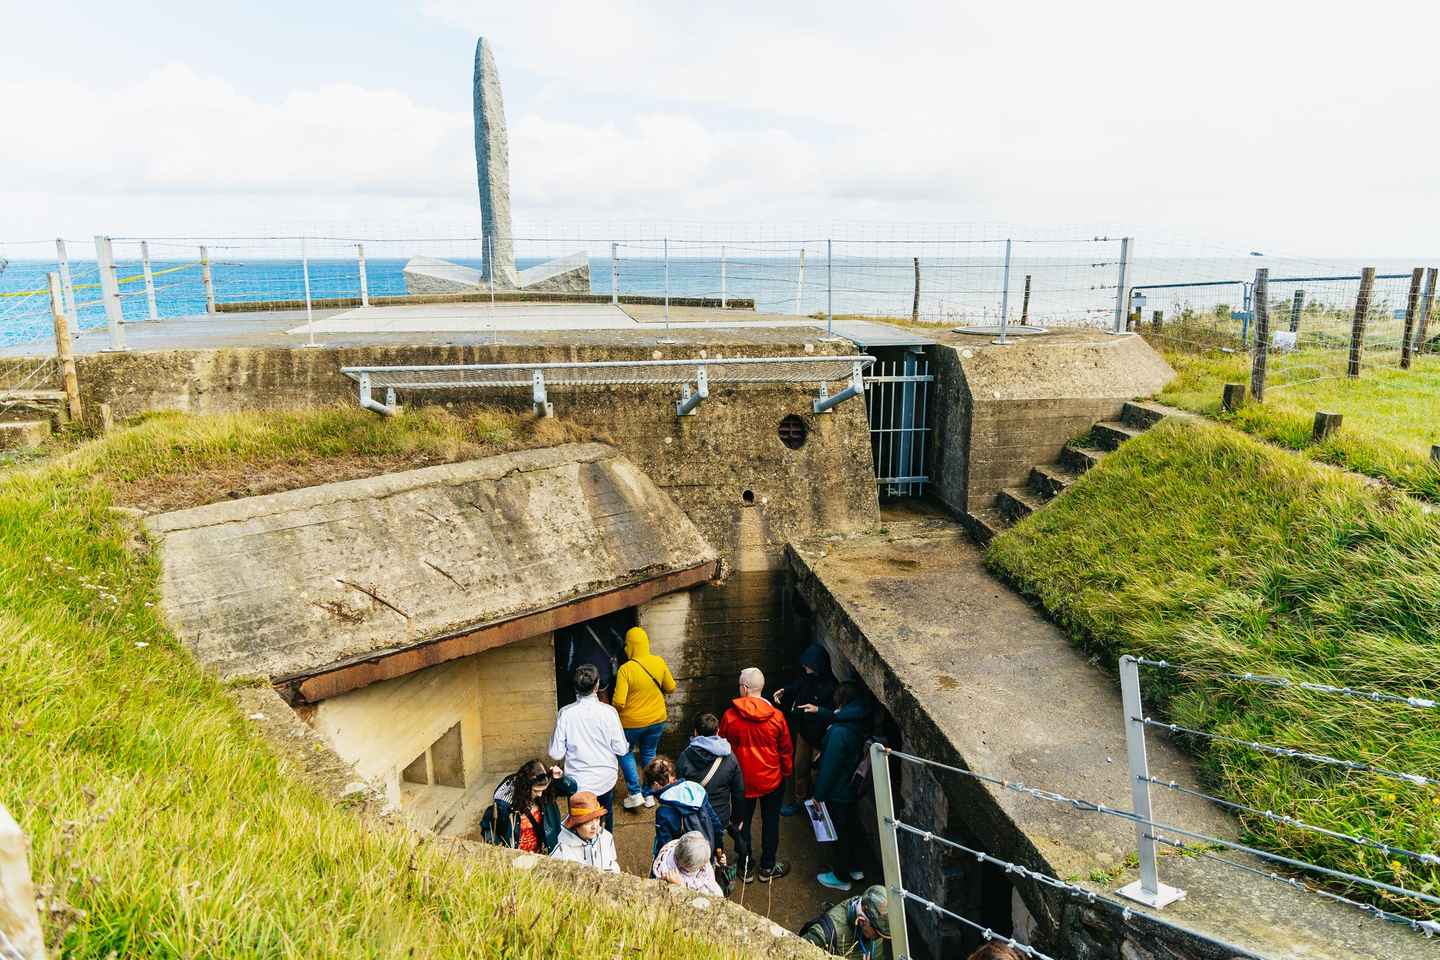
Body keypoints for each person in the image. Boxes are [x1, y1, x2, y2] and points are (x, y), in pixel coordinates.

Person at [719, 666, 793, 882]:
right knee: (771, 821)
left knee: (742, 822)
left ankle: (745, 866)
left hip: (742, 781)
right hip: (771, 778)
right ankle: (768, 867)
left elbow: (723, 746)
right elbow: (785, 749)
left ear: (744, 688)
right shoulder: (777, 717)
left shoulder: (731, 717)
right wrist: (786, 772)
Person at [801, 681, 870, 891]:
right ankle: (856, 868)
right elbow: (836, 715)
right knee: (853, 828)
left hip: (838, 790)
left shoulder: (839, 732)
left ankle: (841, 877)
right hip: (852, 786)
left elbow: (830, 767)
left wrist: (818, 795)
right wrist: (821, 711)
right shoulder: (858, 720)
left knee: (839, 834)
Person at [548, 663, 629, 829]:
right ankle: (607, 847)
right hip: (605, 779)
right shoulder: (609, 712)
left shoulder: (566, 714)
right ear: (597, 685)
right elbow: (621, 749)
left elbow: (556, 753)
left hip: (578, 783)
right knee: (605, 819)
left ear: (575, 687)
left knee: (580, 824)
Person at [612, 626, 677, 810]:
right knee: (649, 753)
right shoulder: (658, 662)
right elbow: (671, 687)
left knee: (625, 752)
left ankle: (635, 793)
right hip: (657, 720)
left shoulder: (626, 669)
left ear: (630, 646)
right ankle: (649, 794)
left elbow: (619, 702)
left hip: (631, 723)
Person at [772, 642, 836, 816]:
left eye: (809, 664)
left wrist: (818, 710)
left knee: (818, 774)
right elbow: (798, 684)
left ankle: (819, 809)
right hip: (805, 732)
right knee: (800, 768)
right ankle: (800, 802)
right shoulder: (808, 678)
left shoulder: (830, 686)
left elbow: (835, 714)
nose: (805, 666)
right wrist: (785, 690)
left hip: (821, 737)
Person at [676, 712, 746, 863]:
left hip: (694, 816)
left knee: (695, 849)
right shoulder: (730, 757)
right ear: (717, 731)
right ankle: (716, 867)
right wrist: (737, 819)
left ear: (695, 732)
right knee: (717, 847)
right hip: (720, 816)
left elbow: (679, 789)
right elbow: (739, 793)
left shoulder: (685, 757)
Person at [481, 759, 578, 855]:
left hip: (544, 853)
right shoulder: (505, 804)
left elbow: (571, 789)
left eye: (542, 790)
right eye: (536, 791)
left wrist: (561, 778)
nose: (540, 794)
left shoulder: (546, 792)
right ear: (525, 787)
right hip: (517, 857)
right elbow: (488, 826)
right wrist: (497, 848)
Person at [643, 756, 725, 859]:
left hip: (686, 861)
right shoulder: (696, 790)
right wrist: (718, 848)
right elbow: (715, 823)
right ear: (672, 775)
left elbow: (665, 845)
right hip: (706, 852)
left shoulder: (663, 811)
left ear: (656, 784)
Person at [799, 884, 891, 959]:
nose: (879, 938)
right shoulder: (823, 935)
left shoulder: (875, 908)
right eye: (877, 935)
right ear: (862, 921)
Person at [549, 791, 620, 873]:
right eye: (588, 822)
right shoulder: (562, 851)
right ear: (575, 824)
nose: (595, 826)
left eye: (597, 819)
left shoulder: (606, 837)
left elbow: (613, 864)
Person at [652, 831, 724, 896]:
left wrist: (718, 863)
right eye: (703, 863)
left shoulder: (673, 847)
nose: (705, 865)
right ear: (688, 866)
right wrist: (681, 887)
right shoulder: (670, 877)